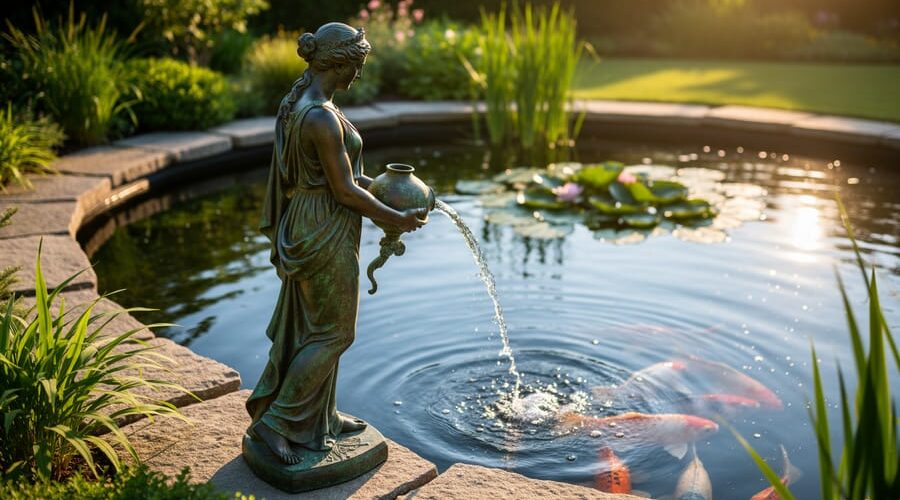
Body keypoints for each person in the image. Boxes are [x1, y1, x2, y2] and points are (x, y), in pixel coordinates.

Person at [246, 22, 427, 465]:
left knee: (317, 328)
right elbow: (344, 191)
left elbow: (340, 179)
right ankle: (279, 422)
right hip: (322, 227)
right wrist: (394, 217)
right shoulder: (320, 117)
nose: (359, 75)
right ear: (341, 62)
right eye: (357, 66)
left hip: (314, 218)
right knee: (333, 332)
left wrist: (390, 191)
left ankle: (319, 417)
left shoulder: (303, 102)